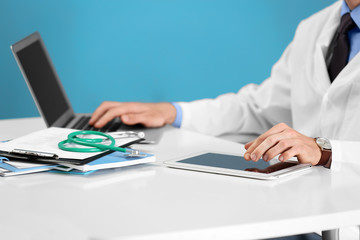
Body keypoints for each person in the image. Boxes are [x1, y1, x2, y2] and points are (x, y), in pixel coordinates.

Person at [89, 0, 360, 238]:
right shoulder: (314, 27)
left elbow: (325, 148)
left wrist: (326, 151)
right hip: (300, 212)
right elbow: (258, 107)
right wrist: (174, 112)